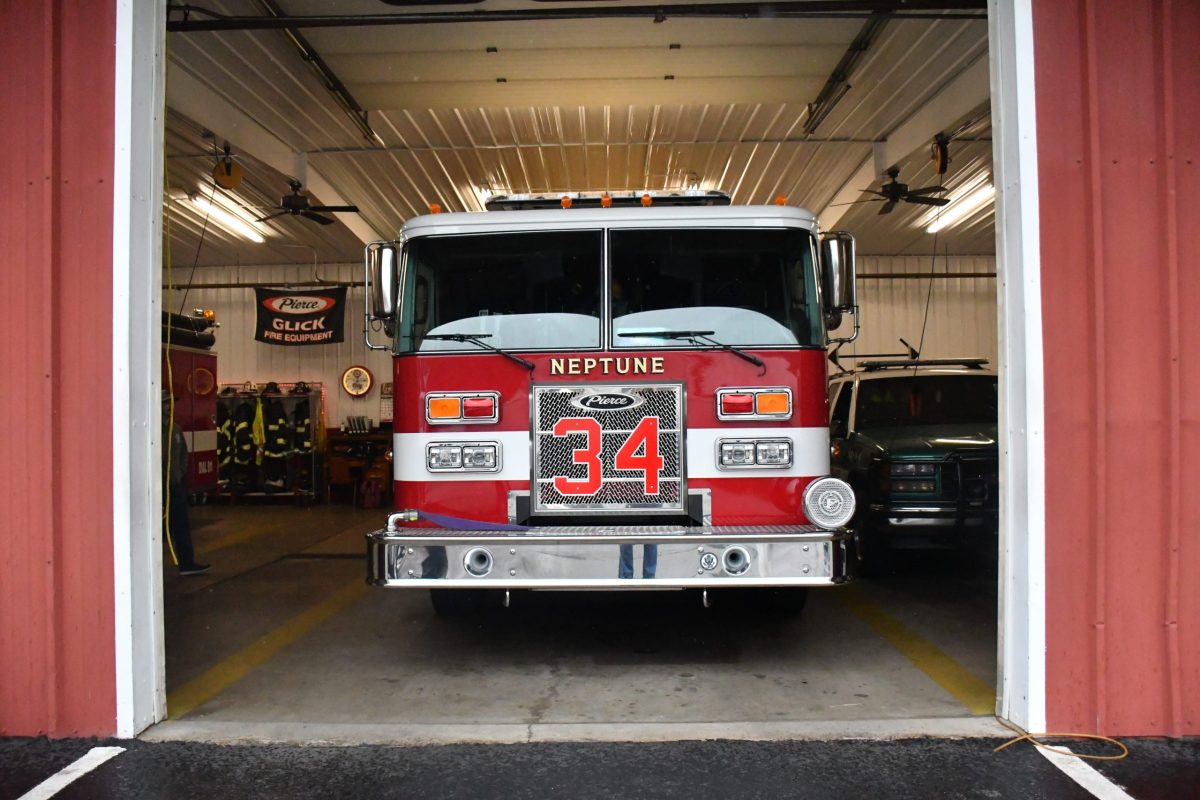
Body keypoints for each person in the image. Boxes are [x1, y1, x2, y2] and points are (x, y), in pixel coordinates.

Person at [163, 392, 209, 575]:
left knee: (181, 524)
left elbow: (183, 454)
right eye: (166, 403)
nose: (169, 406)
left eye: (170, 403)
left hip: (175, 484)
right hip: (159, 487)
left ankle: (187, 563)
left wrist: (179, 474)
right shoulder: (152, 429)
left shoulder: (175, 429)